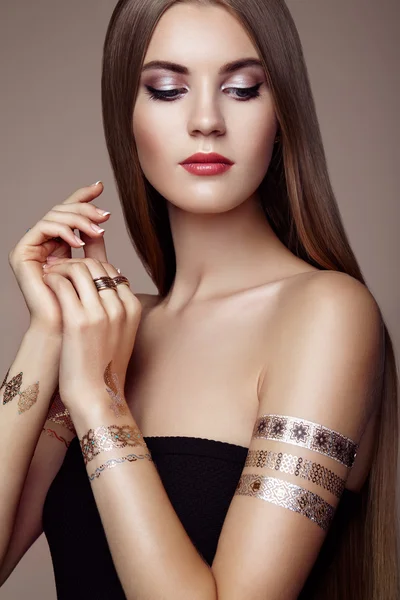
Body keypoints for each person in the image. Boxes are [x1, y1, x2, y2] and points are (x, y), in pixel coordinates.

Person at [0, 0, 398, 598]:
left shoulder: (327, 314)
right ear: (124, 114)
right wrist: (48, 333)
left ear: (282, 112)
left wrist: (99, 401)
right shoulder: (107, 331)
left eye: (241, 89)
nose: (206, 119)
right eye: (165, 89)